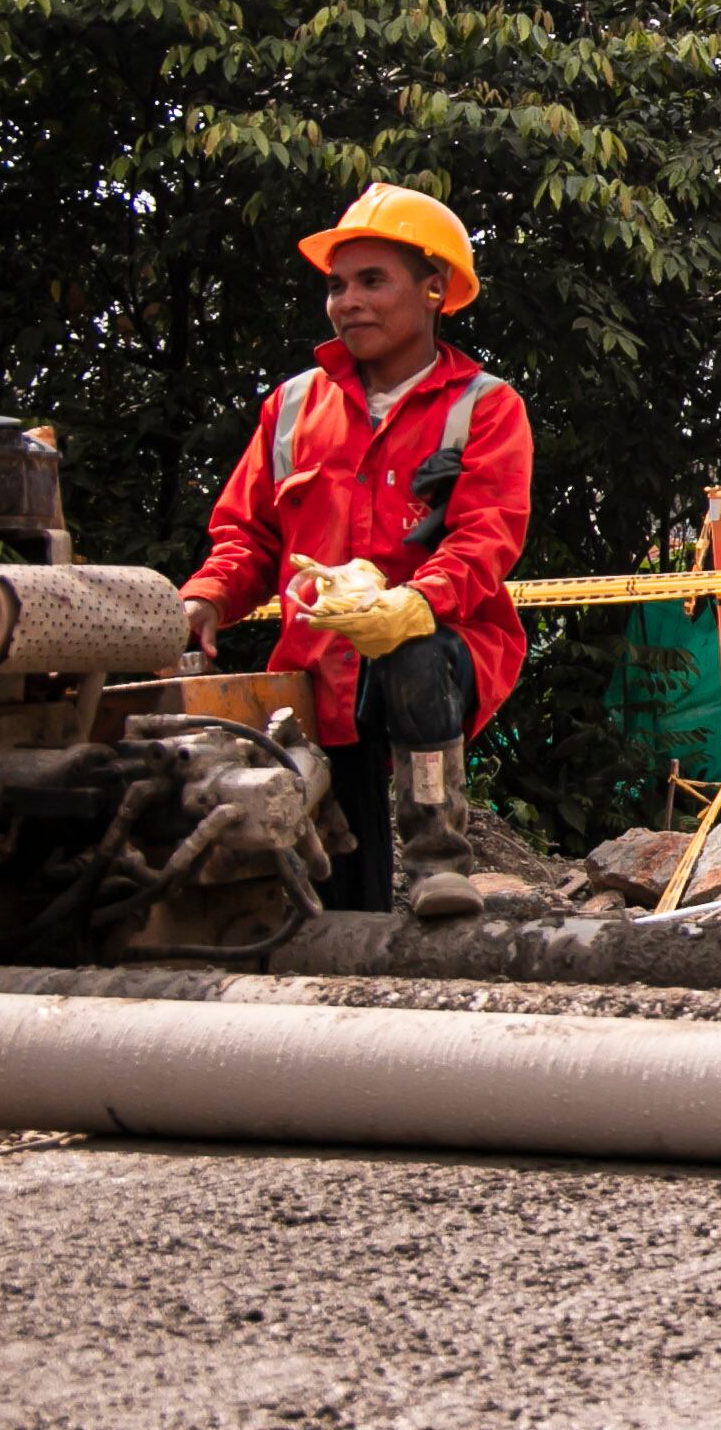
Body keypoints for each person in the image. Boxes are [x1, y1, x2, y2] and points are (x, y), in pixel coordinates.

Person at [178, 184, 534, 912]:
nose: (348, 302)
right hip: (318, 672)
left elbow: (486, 534)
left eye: (374, 281)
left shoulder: (485, 406)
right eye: (338, 285)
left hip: (441, 653)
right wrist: (206, 596)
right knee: (339, 895)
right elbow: (247, 533)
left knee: (412, 653)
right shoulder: (294, 405)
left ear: (435, 289)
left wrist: (414, 603)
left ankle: (438, 856)